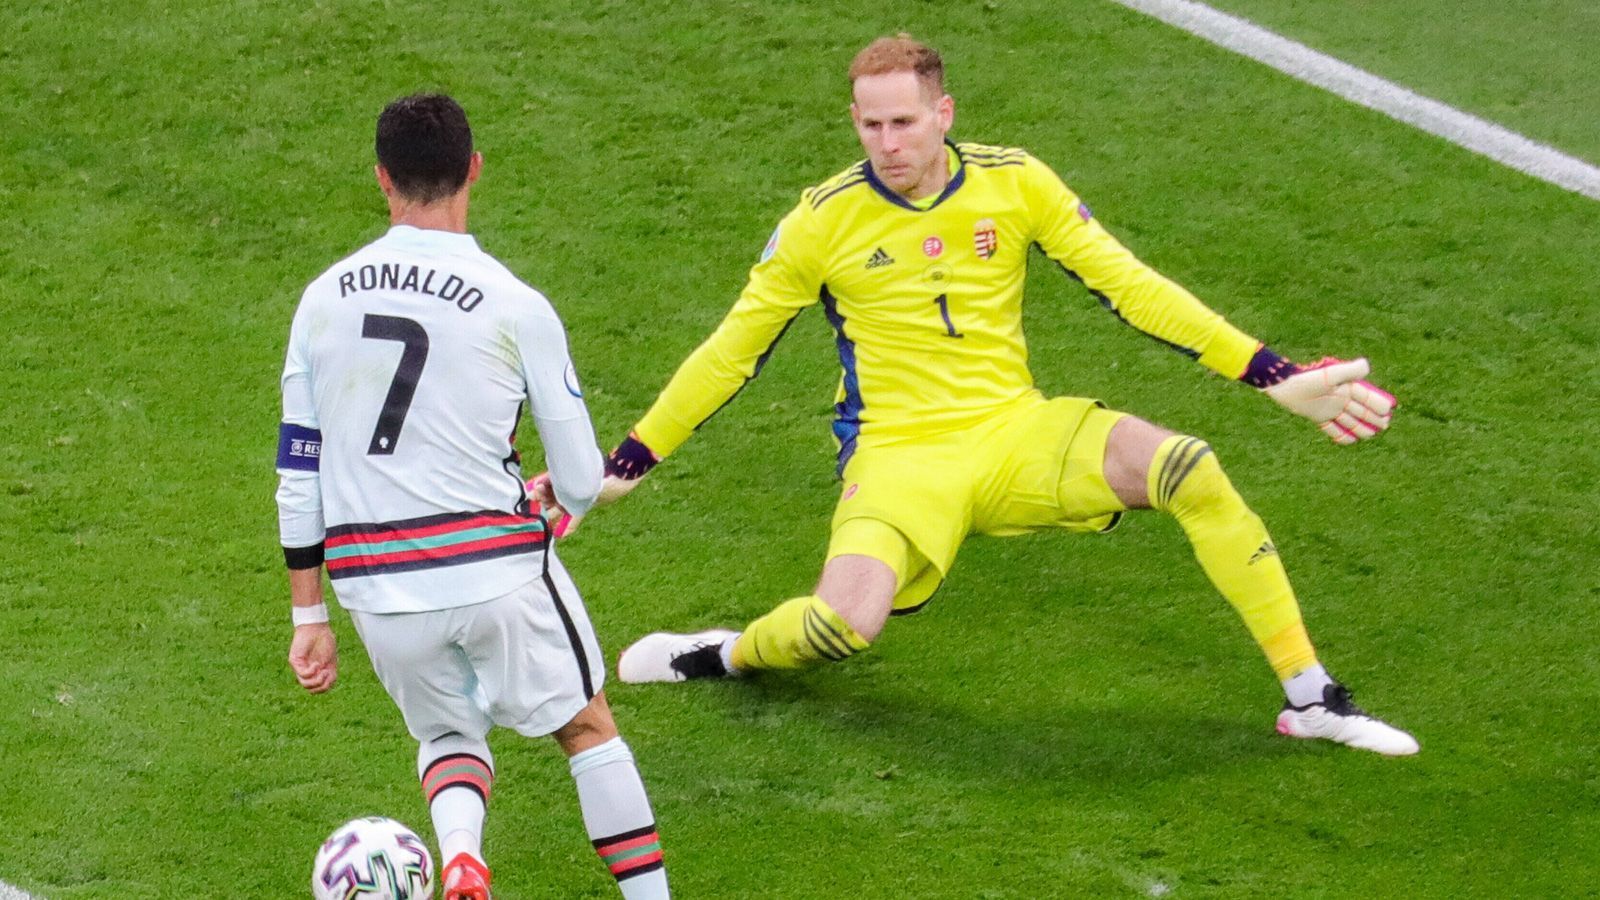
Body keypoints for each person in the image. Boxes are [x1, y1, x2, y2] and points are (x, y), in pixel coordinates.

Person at [551, 35, 1416, 756]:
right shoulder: (822, 221)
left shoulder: (1016, 182)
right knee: (844, 627)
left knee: (1188, 467)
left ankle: (1313, 698)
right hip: (897, 457)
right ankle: (726, 654)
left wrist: (1272, 373)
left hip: (1015, 431)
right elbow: (730, 352)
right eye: (871, 124)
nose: (887, 143)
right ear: (855, 121)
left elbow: (1134, 288)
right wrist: (631, 458)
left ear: (943, 115)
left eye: (904, 122)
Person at [276, 94, 671, 900]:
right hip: (497, 570)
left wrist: (308, 617)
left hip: (376, 586)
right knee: (586, 727)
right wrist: (566, 500)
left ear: (382, 178)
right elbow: (582, 476)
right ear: (475, 171)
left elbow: (298, 467)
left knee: (448, 731)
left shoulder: (321, 300)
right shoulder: (514, 302)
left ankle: (461, 854)